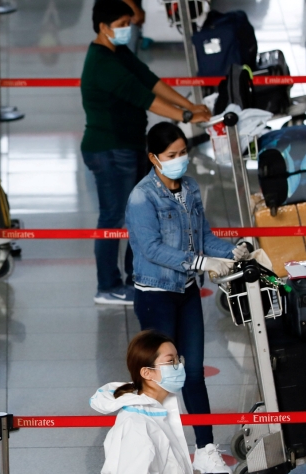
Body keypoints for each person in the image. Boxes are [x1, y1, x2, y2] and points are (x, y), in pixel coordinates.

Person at [81, 0, 211, 306]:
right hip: (110, 150)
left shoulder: (118, 51)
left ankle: (136, 278)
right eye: (122, 25)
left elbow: (151, 81)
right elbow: (144, 98)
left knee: (137, 216)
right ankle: (108, 286)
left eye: (129, 23)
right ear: (103, 27)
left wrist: (190, 106)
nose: (127, 29)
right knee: (113, 218)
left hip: (129, 146)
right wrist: (186, 116)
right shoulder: (103, 63)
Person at [125, 122, 242, 461]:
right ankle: (153, 452)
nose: (179, 160)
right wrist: (201, 262)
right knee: (161, 377)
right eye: (171, 155)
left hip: (187, 291)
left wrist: (233, 250)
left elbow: (203, 237)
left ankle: (206, 449)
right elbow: (151, 249)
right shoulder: (141, 197)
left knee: (193, 374)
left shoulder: (189, 187)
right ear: (153, 158)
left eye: (183, 153)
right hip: (156, 295)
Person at [90, 330, 223, 474]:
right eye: (170, 362)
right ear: (147, 372)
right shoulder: (137, 426)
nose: (179, 367)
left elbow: (158, 469)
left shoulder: (157, 413)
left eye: (178, 360)